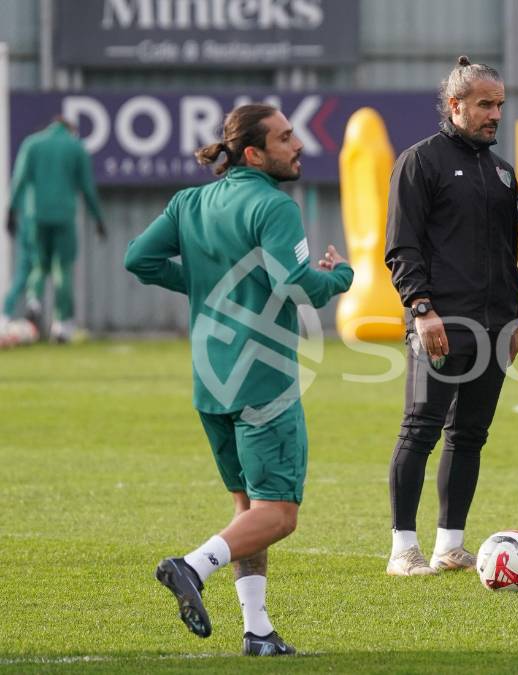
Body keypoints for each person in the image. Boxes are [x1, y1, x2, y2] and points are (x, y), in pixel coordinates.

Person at [124, 104, 353, 655]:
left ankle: (258, 631)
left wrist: (207, 286)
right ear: (253, 153)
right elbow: (295, 285)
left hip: (210, 381)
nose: (298, 145)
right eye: (285, 138)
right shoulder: (274, 206)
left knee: (248, 510)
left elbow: (139, 259)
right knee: (279, 515)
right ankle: (192, 566)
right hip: (262, 380)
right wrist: (341, 276)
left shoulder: (189, 202)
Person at [382, 56, 518, 576]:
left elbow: (507, 254)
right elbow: (401, 246)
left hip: (495, 326)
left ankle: (450, 545)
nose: (495, 115)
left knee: (469, 435)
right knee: (420, 429)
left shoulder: (503, 171)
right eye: (485, 105)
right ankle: (403, 549)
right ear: (455, 105)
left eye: (500, 105)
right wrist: (421, 309)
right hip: (440, 322)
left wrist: (514, 317)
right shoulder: (420, 161)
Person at [5, 116, 105, 341]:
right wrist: (98, 219)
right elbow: (87, 187)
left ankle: (34, 301)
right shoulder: (75, 147)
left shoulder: (32, 143)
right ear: (71, 130)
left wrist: (11, 211)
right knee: (63, 269)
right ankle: (61, 325)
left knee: (39, 265)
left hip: (36, 215)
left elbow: (19, 179)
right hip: (64, 216)